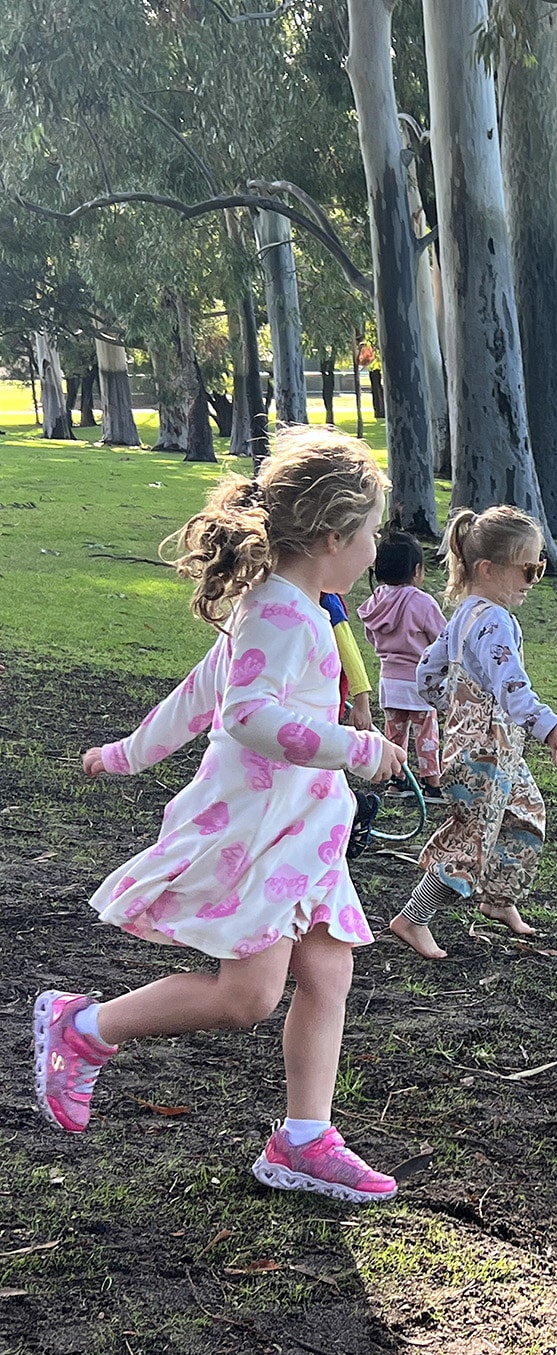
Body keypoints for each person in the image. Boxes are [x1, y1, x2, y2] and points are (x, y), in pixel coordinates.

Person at [32, 427, 408, 1202]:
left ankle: (303, 1138)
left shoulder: (292, 604)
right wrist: (357, 749)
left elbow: (200, 693)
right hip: (264, 832)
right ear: (335, 535)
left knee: (328, 970)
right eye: (371, 533)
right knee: (247, 998)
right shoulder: (280, 612)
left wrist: (127, 752)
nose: (376, 549)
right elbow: (243, 714)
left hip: (307, 831)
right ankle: (84, 1029)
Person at [389, 505, 557, 961]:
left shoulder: (464, 615)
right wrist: (547, 725)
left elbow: (425, 673)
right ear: (488, 568)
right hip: (483, 754)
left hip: (493, 749)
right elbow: (512, 685)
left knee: (525, 815)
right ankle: (412, 919)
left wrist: (450, 709)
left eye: (541, 567)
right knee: (471, 836)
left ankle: (498, 900)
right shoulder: (493, 620)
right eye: (529, 569)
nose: (534, 579)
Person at [357, 531, 448, 801]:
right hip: (420, 682)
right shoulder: (421, 602)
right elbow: (443, 638)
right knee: (426, 733)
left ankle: (397, 779)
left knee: (394, 733)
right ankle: (431, 781)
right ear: (417, 570)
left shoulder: (375, 602)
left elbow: (371, 636)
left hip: (389, 680)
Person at [320, 590, 374, 730]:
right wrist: (361, 701)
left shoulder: (328, 600)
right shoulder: (328, 599)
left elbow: (347, 647)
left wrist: (361, 699)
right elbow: (348, 648)